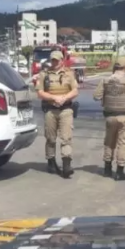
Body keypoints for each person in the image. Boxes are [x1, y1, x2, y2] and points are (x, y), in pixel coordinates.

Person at [93, 57, 125, 180]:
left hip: (109, 116)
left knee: (109, 142)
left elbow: (96, 96)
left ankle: (107, 169)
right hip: (124, 117)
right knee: (123, 144)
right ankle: (120, 171)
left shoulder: (105, 80)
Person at [35, 50, 79, 178]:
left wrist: (64, 98)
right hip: (50, 109)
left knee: (66, 138)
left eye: (56, 60)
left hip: (66, 109)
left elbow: (75, 91)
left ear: (62, 61)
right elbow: (40, 93)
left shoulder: (69, 74)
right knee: (50, 138)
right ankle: (51, 162)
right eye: (52, 60)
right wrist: (54, 98)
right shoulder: (44, 74)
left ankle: (66, 165)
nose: (54, 62)